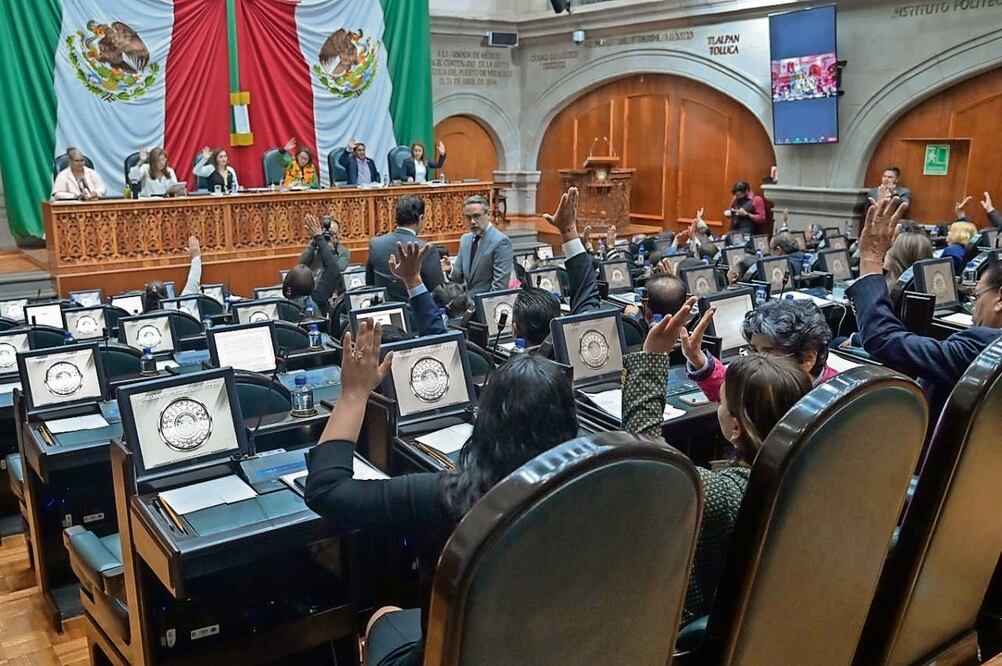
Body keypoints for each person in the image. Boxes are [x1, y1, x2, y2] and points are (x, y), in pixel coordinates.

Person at [304, 322, 579, 665]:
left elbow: (326, 490)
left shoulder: (444, 497)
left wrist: (353, 396)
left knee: (383, 615)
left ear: (486, 419)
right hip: (554, 649)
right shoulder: (594, 491)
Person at [622, 298, 813, 625]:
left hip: (710, 623)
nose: (718, 406)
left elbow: (647, 465)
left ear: (736, 427)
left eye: (722, 403)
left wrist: (652, 356)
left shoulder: (727, 492)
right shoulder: (812, 462)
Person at [847, 196, 1002, 421]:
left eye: (977, 296)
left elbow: (882, 339)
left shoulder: (982, 347)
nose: (974, 306)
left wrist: (871, 260)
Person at [682, 298, 837, 403]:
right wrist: (698, 359)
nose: (755, 361)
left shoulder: (832, 405)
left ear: (808, 359)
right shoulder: (776, 383)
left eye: (768, 353)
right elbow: (735, 391)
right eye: (754, 350)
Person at [511, 187, 601, 347]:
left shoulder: (509, 372)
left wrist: (568, 231)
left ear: (515, 330)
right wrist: (569, 230)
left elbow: (586, 293)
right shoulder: (578, 350)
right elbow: (587, 294)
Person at [366, 195, 445, 302]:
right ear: (420, 218)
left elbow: (369, 284)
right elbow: (439, 292)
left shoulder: (375, 244)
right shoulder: (426, 249)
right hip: (416, 313)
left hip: (382, 311)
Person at [440, 195, 513, 297]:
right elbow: (459, 277)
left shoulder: (501, 242)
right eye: (468, 218)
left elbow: (499, 287)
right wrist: (450, 269)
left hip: (485, 305)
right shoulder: (465, 239)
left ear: (488, 214)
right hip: (467, 303)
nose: (472, 222)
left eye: (476, 216)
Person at [282, 214, 342, 315]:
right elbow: (332, 268)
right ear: (312, 286)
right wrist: (318, 237)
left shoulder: (283, 308)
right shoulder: (317, 298)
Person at [143, 236, 203, 311]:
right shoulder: (180, 312)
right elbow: (192, 287)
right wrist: (196, 258)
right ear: (167, 298)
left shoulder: (134, 322)